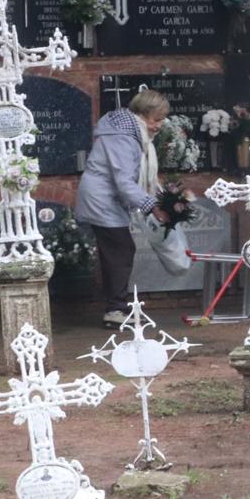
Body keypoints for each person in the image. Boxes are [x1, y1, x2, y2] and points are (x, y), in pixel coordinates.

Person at [75, 88, 170, 328]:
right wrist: (152, 207)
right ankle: (115, 310)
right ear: (143, 114)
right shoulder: (124, 137)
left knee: (116, 251)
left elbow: (137, 174)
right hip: (102, 200)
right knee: (121, 250)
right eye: (156, 119)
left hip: (107, 199)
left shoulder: (129, 131)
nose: (159, 125)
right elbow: (124, 181)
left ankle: (115, 305)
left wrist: (162, 196)